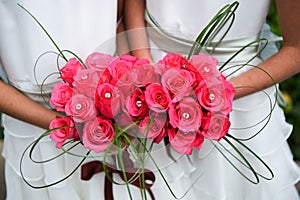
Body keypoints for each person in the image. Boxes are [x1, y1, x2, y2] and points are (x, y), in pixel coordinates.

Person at [122, 0, 300, 199]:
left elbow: (296, 50)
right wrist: (148, 73)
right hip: (151, 81)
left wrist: (213, 96)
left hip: (235, 95)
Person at [0, 0, 140, 199]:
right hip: (34, 123)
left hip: (113, 110)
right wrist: (66, 127)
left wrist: (128, 91)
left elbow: (119, 20)